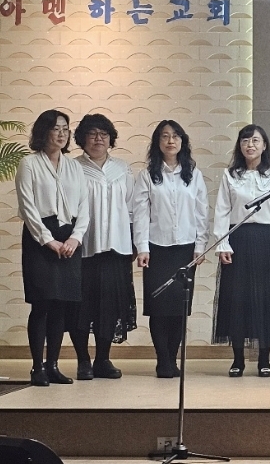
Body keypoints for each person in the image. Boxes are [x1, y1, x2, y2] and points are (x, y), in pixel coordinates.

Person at [212, 124, 270, 377]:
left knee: (265, 300)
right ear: (239, 145)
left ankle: (264, 360)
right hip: (237, 240)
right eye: (245, 140)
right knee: (237, 300)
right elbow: (222, 211)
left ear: (264, 145)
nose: (250, 145)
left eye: (255, 140)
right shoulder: (230, 175)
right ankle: (238, 359)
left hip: (265, 241)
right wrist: (222, 243)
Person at [15, 110, 90, 386]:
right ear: (43, 131)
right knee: (42, 304)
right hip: (40, 239)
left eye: (65, 129)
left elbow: (84, 206)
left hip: (69, 237)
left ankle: (53, 366)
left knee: (61, 306)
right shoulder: (29, 164)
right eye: (56, 128)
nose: (61, 134)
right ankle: (37, 368)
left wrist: (75, 238)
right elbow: (27, 207)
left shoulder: (74, 167)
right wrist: (48, 240)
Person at [132, 120, 209, 379]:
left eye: (175, 136)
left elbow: (201, 213)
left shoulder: (193, 174)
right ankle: (162, 359)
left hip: (185, 249)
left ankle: (173, 358)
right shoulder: (147, 175)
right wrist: (142, 247)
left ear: (182, 141)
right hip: (157, 249)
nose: (170, 141)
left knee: (178, 308)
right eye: (164, 136)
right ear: (158, 142)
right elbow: (140, 214)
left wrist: (200, 246)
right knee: (158, 308)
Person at [70, 114, 136, 380]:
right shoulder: (73, 168)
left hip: (116, 248)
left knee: (109, 307)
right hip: (83, 248)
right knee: (81, 307)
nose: (98, 139)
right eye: (92, 133)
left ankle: (103, 359)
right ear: (82, 138)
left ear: (111, 139)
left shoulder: (122, 168)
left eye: (104, 134)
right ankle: (83, 360)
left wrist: (134, 242)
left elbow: (131, 208)